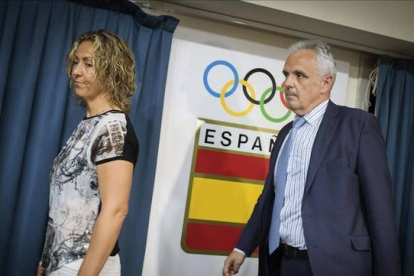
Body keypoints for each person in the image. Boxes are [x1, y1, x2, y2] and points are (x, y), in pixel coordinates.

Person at [222, 40, 401, 276]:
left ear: (325, 83)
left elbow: (380, 211)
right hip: (279, 264)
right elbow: (270, 200)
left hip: (335, 267)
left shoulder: (358, 125)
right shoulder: (285, 133)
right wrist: (241, 247)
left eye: (299, 75)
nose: (287, 83)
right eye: (286, 75)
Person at [37, 30, 139, 276]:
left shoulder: (113, 128)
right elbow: (65, 203)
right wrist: (46, 262)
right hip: (62, 264)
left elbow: (115, 211)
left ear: (112, 71)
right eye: (75, 62)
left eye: (88, 64)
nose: (76, 72)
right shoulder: (89, 124)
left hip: (86, 266)